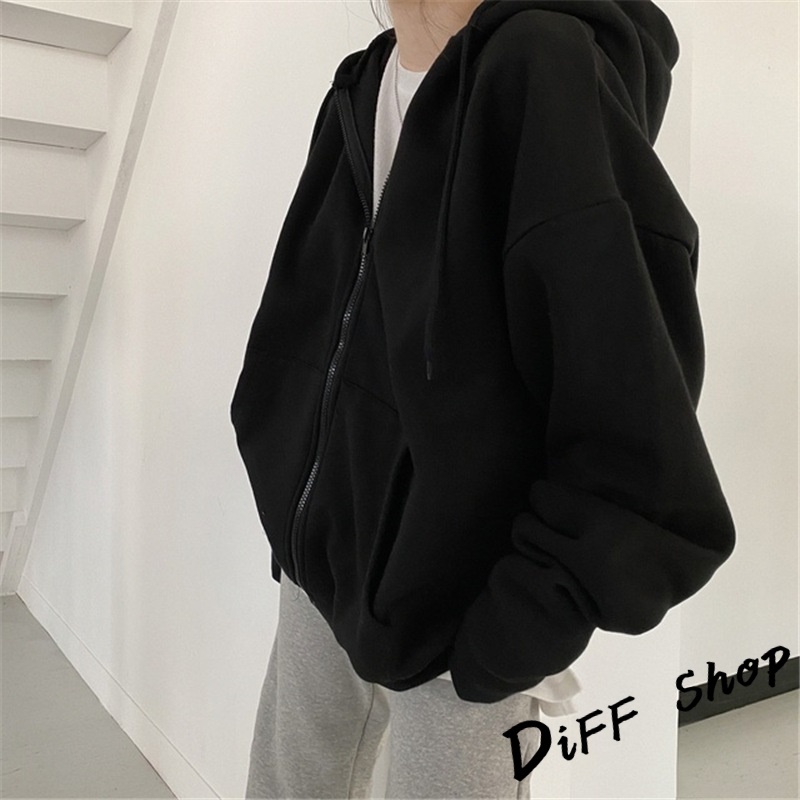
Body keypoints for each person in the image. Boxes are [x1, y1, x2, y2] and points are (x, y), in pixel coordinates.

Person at [230, 0, 737, 797]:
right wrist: (295, 502)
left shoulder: (543, 64)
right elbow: (313, 323)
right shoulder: (362, 82)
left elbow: (639, 446)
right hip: (321, 566)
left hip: (462, 619)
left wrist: (510, 636)